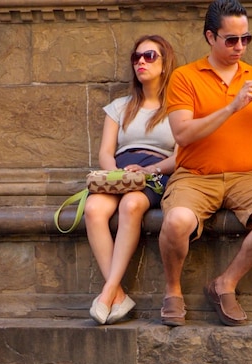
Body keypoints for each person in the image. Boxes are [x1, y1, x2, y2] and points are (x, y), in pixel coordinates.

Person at [159, 0, 252, 327]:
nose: (239, 47)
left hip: (245, 177)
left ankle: (225, 283)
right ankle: (173, 290)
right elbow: (183, 134)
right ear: (210, 37)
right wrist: (231, 107)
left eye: (246, 39)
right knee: (176, 221)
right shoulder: (184, 77)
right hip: (194, 176)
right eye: (231, 39)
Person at [84, 35, 178, 325]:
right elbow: (105, 152)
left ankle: (108, 291)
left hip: (156, 173)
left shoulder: (178, 106)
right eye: (136, 57)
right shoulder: (119, 107)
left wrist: (149, 172)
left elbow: (182, 156)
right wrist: (116, 174)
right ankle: (119, 294)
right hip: (119, 172)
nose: (141, 62)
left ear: (165, 63)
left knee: (132, 205)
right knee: (93, 209)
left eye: (149, 56)